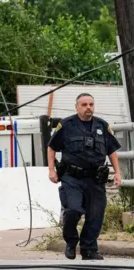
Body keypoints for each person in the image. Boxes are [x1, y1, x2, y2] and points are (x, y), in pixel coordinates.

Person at [47, 93, 122, 260]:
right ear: (77, 107)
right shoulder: (66, 125)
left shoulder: (102, 126)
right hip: (72, 177)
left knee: (96, 214)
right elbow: (51, 147)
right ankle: (71, 242)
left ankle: (88, 249)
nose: (88, 107)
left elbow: (112, 151)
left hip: (95, 179)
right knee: (73, 210)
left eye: (91, 104)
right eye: (84, 104)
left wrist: (117, 172)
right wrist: (51, 170)